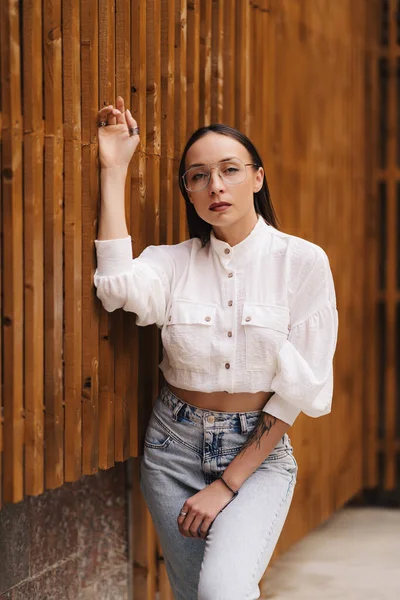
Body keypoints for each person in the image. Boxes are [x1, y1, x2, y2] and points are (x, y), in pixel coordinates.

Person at [93, 96, 339, 600]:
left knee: (223, 590)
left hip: (258, 455)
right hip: (171, 450)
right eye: (198, 176)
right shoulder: (174, 263)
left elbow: (298, 389)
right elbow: (116, 284)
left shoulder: (302, 263)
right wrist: (113, 168)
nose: (215, 186)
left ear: (258, 178)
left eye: (229, 170)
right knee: (194, 595)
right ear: (187, 190)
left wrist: (227, 484)